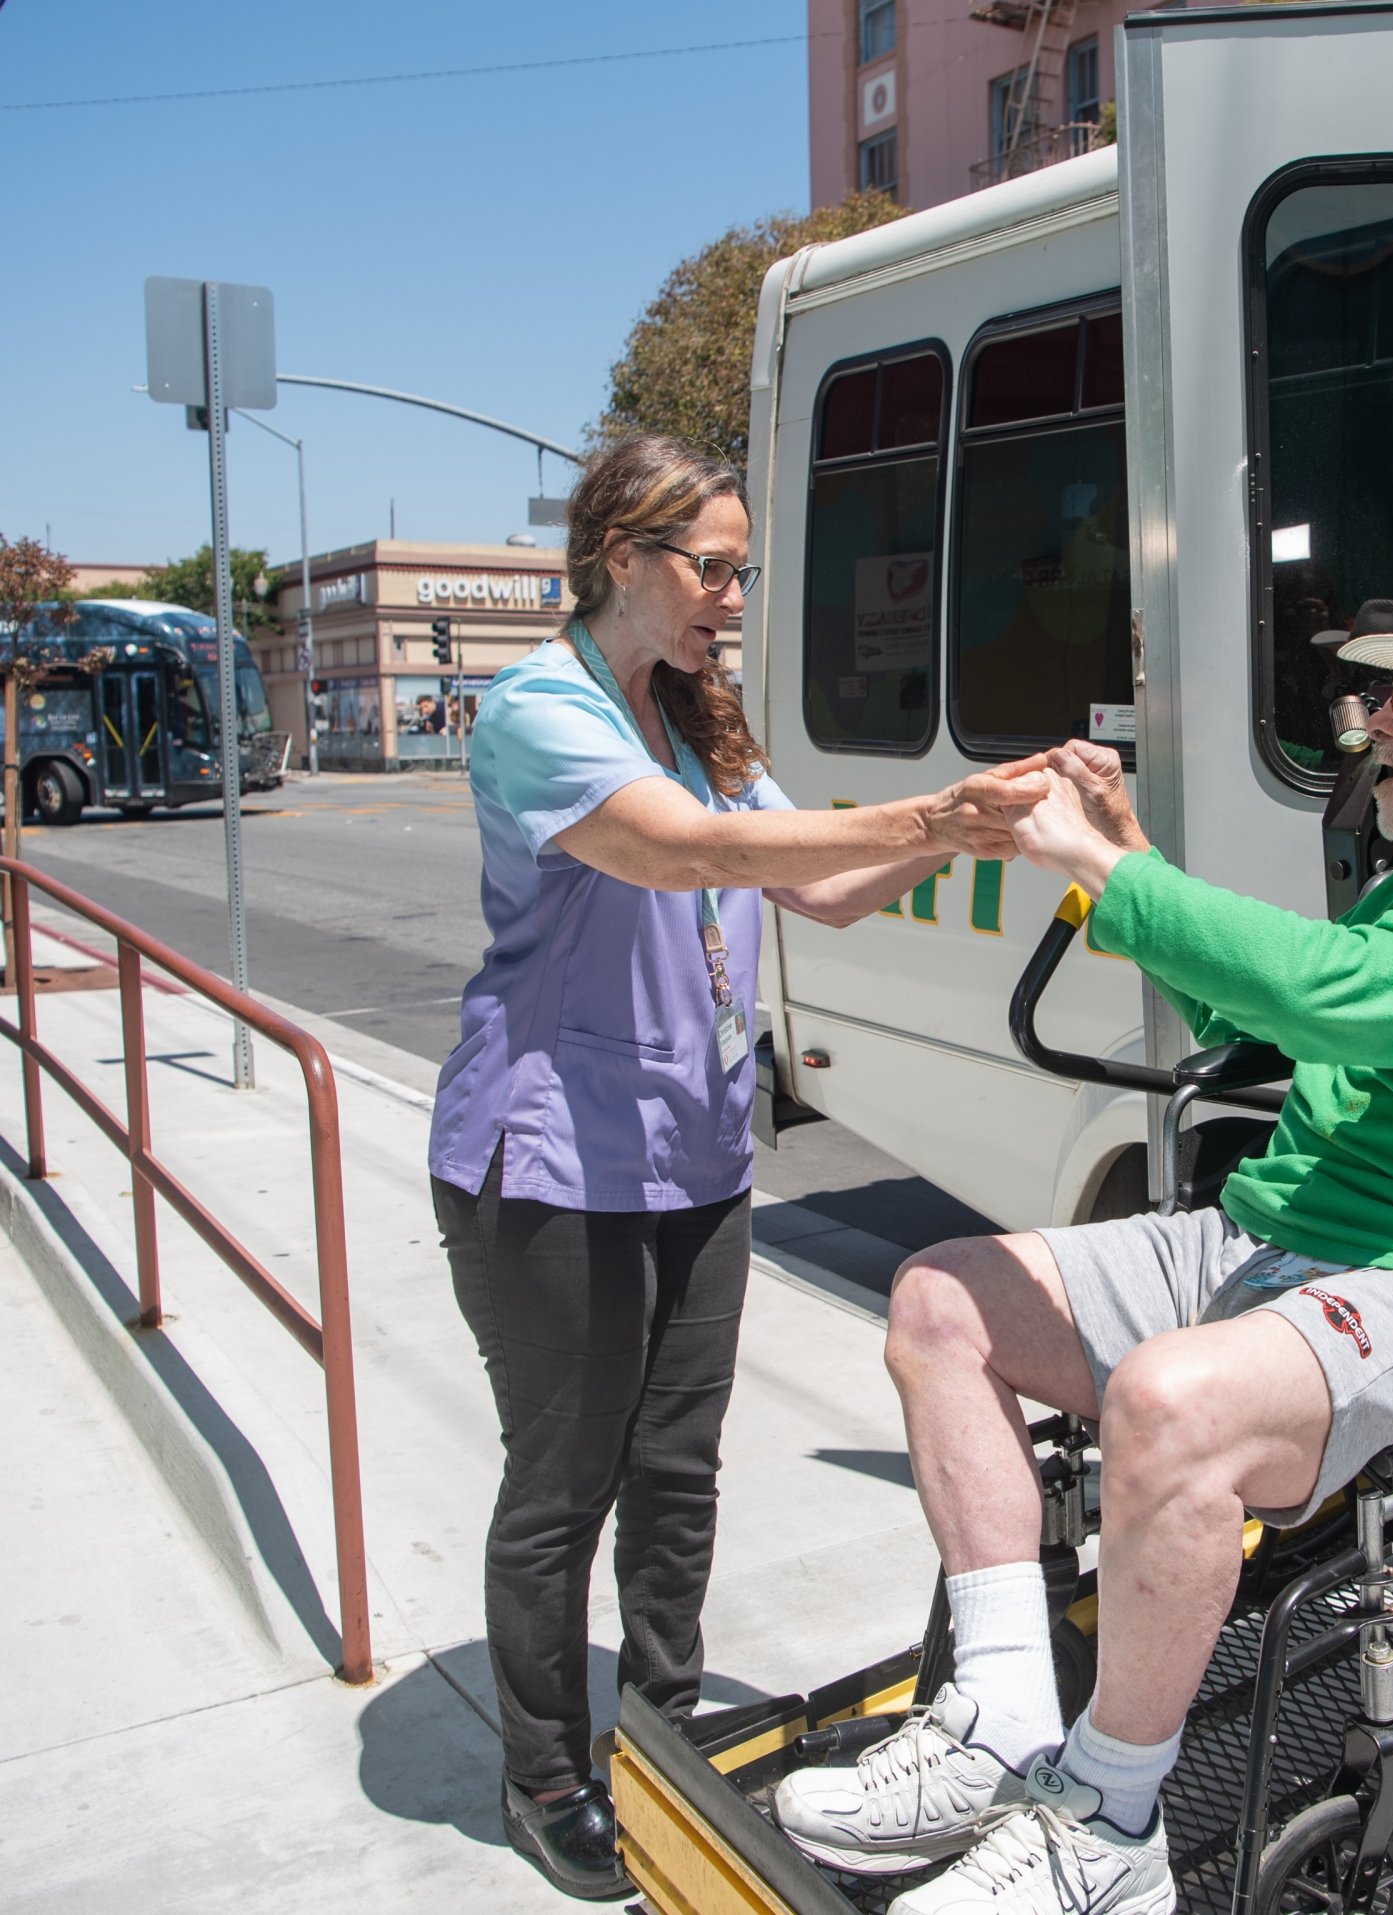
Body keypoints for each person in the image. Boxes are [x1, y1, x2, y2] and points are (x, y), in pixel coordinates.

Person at [770, 571, 1393, 1915]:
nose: (1373, 720)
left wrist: (1107, 868)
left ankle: (1108, 1820)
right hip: (1281, 1234)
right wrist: (1134, 846)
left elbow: (1341, 993)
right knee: (938, 1302)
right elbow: (1292, 1019)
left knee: (1166, 1403)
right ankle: (1006, 1716)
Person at [430, 432, 1041, 1902]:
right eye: (713, 569)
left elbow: (815, 882)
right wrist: (934, 814)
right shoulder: (537, 710)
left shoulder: (697, 716)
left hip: (695, 1152)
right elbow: (689, 857)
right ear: (622, 556)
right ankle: (546, 1773)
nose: (731, 597)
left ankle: (661, 1720)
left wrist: (982, 828)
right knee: (564, 1479)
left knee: (678, 1468)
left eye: (742, 573)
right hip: (552, 1161)